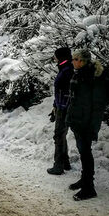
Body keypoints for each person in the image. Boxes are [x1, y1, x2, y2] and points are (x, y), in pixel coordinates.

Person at [65, 49, 109, 201]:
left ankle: (89, 188)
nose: (72, 61)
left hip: (86, 123)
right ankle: (84, 180)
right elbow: (75, 99)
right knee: (83, 151)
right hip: (78, 121)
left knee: (86, 153)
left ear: (82, 61)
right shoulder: (80, 73)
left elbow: (98, 105)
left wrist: (93, 127)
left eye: (75, 59)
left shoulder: (94, 77)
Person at [47, 47, 73, 175]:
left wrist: (61, 106)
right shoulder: (64, 68)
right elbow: (59, 92)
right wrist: (54, 106)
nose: (54, 58)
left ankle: (58, 166)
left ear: (61, 57)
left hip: (64, 108)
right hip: (60, 107)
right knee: (61, 135)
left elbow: (67, 92)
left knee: (59, 135)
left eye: (56, 56)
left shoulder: (67, 70)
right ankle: (65, 162)